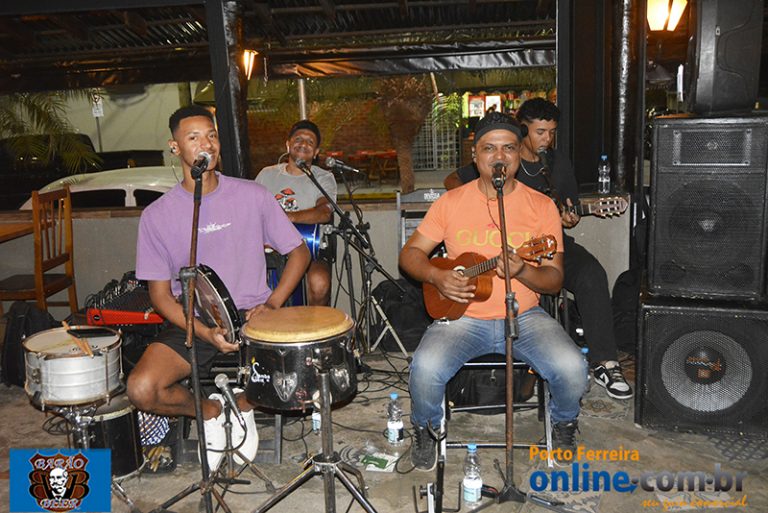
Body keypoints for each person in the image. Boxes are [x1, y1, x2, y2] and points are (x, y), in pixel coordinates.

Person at [401, 112, 588, 471]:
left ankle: (564, 422)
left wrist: (523, 270)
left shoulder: (541, 206)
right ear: (476, 156)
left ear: (519, 154)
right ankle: (426, 428)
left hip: (524, 316)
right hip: (462, 317)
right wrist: (437, 276)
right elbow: (410, 255)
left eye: (508, 148)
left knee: (572, 367)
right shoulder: (450, 202)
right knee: (424, 368)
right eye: (489, 148)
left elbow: (554, 280)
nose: (499, 156)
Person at [127, 105, 311, 471]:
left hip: (255, 314)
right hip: (194, 319)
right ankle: (211, 411)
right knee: (142, 389)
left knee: (304, 376)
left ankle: (241, 405)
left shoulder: (253, 195)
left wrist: (273, 304)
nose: (206, 144)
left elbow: (299, 252)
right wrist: (203, 331)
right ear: (175, 147)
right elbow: (160, 295)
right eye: (193, 137)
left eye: (211, 135)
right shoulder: (157, 215)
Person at [443, 98, 633, 400]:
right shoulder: (502, 160)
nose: (547, 139)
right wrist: (478, 206)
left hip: (545, 246)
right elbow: (453, 180)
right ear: (522, 131)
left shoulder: (556, 164)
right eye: (540, 132)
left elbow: (567, 208)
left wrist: (569, 217)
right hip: (499, 248)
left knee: (591, 273)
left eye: (552, 132)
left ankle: (605, 362)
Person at [255, 120, 336, 306]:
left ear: (316, 152)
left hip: (311, 250)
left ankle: (315, 324)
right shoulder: (266, 174)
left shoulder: (323, 177)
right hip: (268, 249)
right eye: (298, 139)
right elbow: (250, 211)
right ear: (288, 144)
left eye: (310, 141)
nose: (303, 144)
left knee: (319, 282)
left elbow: (324, 212)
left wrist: (286, 218)